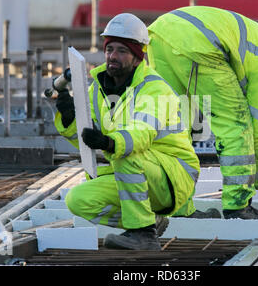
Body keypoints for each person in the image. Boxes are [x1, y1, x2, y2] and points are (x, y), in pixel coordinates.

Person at [147, 6, 258, 222]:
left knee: (177, 128)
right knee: (237, 127)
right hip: (200, 44)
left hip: (161, 32)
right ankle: (237, 206)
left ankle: (177, 207)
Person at [54, 13, 201, 250]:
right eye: (109, 49)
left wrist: (110, 143)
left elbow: (141, 133)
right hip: (137, 172)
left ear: (136, 57)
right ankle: (148, 222)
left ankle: (143, 234)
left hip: (174, 175)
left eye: (122, 51)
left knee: (126, 154)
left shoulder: (154, 88)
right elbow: (86, 140)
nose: (113, 56)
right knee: (78, 200)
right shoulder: (97, 89)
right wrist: (71, 119)